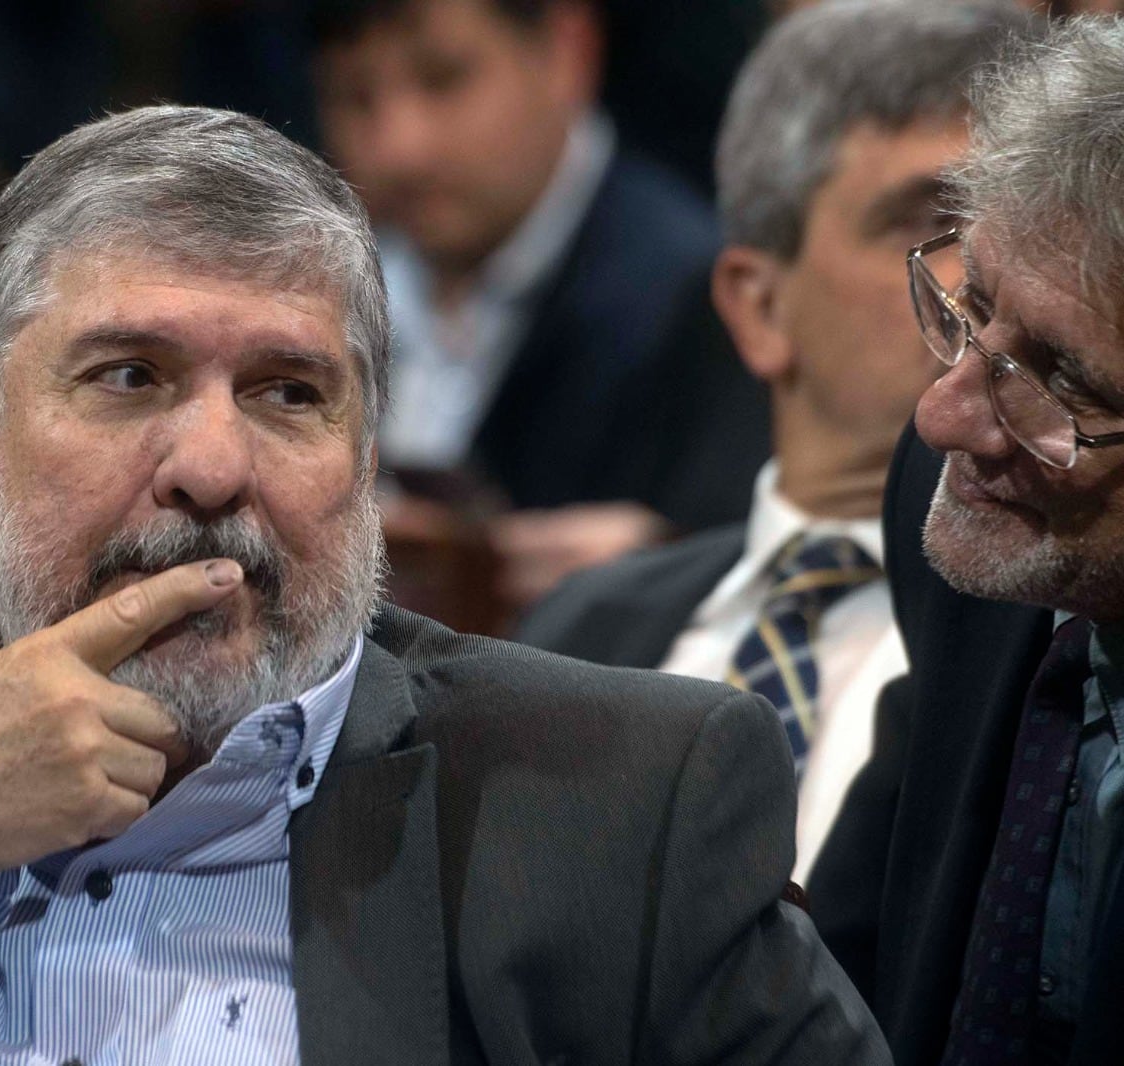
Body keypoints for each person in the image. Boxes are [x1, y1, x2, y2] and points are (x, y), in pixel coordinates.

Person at [0, 105, 884, 1065]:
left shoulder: (615, 799)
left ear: (364, 459)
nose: (213, 468)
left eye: (289, 392)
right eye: (131, 376)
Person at [517, 0, 1028, 881]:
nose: (981, 279)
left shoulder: (1056, 646)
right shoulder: (572, 634)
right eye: (930, 223)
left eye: (1010, 224)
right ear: (759, 307)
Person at [807, 16, 1124, 1066]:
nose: (944, 417)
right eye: (971, 308)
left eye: (1061, 379)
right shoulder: (963, 517)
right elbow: (851, 975)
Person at [307, 0, 771, 615]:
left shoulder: (701, 304)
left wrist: (672, 566)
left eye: (444, 79)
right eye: (354, 98)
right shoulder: (314, 287)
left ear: (566, 52)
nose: (401, 148)